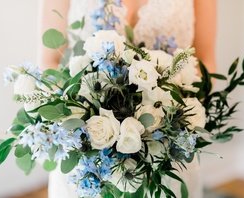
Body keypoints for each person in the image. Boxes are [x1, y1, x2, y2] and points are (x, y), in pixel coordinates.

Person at [37, 0, 216, 197]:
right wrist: (84, 111)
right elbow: (50, 61)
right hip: (86, 155)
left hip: (167, 149)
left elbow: (206, 61)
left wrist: (164, 114)